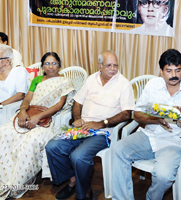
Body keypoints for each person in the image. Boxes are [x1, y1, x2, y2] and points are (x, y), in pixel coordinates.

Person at [111, 49, 181, 200]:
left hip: (173, 142)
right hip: (149, 136)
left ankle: (151, 198)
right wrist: (156, 119)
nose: (174, 75)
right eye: (169, 70)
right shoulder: (152, 85)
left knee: (164, 176)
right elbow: (137, 114)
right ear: (161, 71)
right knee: (116, 149)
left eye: (178, 70)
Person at [45, 50, 135, 200]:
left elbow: (127, 114)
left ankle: (83, 192)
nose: (113, 69)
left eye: (115, 65)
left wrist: (101, 123)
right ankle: (73, 179)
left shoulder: (123, 84)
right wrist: (78, 118)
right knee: (52, 147)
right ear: (100, 66)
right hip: (82, 127)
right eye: (108, 65)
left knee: (78, 157)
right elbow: (77, 102)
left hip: (103, 132)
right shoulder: (92, 79)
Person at [0, 52, 76, 199]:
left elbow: (59, 106)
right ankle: (5, 178)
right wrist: (22, 111)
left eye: (54, 63)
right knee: (6, 131)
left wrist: (37, 117)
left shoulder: (64, 82)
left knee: (31, 140)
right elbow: (28, 98)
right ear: (42, 66)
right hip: (29, 113)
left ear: (59, 65)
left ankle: (20, 181)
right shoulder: (37, 80)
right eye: (47, 63)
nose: (51, 67)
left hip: (47, 118)